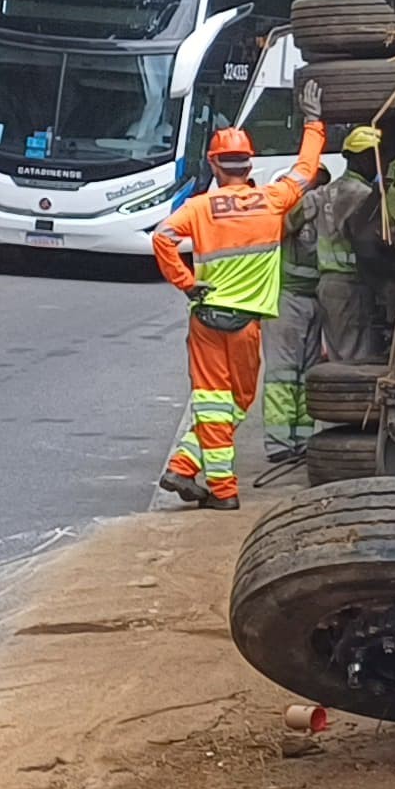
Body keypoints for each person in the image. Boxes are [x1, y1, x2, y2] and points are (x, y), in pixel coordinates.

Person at [151, 88, 325, 508]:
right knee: (237, 401)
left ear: (214, 163)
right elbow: (306, 170)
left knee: (212, 401)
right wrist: (313, 123)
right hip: (246, 323)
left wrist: (187, 282)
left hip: (206, 316)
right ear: (250, 163)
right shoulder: (271, 200)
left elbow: (162, 237)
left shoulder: (198, 207)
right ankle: (222, 489)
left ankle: (185, 466)